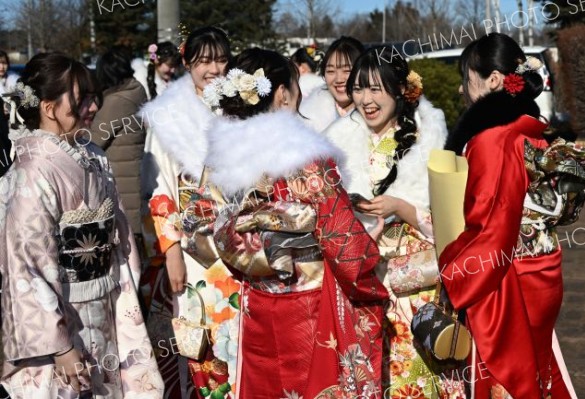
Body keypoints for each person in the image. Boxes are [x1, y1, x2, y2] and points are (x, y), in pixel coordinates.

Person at [199, 46, 388, 398]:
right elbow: (344, 242)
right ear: (283, 94)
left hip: (256, 299)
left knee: (266, 386)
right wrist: (372, 269)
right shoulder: (306, 157)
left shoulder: (221, 158)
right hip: (308, 306)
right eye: (295, 86)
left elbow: (207, 222)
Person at [441, 33, 585, 398]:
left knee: (508, 379)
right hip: (542, 271)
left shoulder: (492, 137)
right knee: (539, 366)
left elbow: (491, 223)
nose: (464, 90)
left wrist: (453, 271)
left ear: (493, 80)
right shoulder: (530, 126)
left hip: (507, 276)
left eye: (467, 78)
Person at [0, 52, 163, 398]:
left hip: (106, 302)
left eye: (93, 97)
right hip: (61, 314)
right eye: (80, 99)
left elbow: (117, 235)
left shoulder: (94, 155)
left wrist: (126, 299)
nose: (91, 107)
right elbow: (24, 265)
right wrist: (59, 346)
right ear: (48, 107)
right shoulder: (32, 172)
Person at [324, 46, 465, 398]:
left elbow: (452, 222)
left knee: (414, 378)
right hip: (359, 278)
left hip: (413, 284)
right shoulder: (336, 142)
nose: (365, 99)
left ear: (400, 90)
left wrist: (401, 206)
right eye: (359, 88)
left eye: (375, 89)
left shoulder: (430, 137)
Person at [140, 27, 239, 398]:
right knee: (193, 340)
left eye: (221, 60)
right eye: (204, 61)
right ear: (187, 63)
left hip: (237, 245)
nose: (214, 69)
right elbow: (158, 190)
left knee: (236, 340)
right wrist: (171, 253)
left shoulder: (239, 107)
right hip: (190, 250)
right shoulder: (167, 116)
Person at [91, 46, 147, 252]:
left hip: (122, 182)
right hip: (133, 174)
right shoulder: (136, 90)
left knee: (128, 251)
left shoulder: (117, 101)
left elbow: (94, 140)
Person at [300, 36, 364, 132]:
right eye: (330, 71)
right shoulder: (307, 118)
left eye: (347, 70)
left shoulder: (378, 117)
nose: (338, 79)